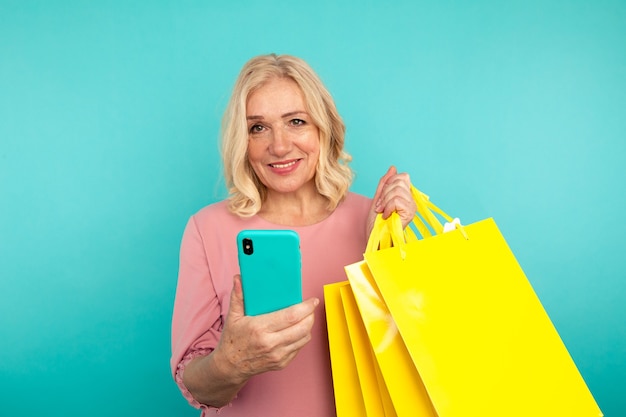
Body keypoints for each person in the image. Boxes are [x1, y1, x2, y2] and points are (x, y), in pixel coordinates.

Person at [170, 53, 416, 416]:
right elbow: (195, 384)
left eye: (296, 121)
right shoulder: (207, 229)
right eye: (258, 128)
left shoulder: (375, 218)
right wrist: (232, 362)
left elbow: (415, 355)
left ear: (323, 128)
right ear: (242, 140)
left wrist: (386, 245)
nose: (280, 146)